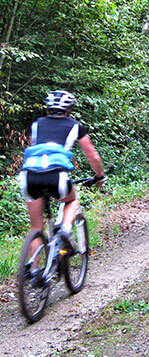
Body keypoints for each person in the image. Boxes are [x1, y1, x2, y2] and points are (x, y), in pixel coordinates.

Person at [19, 90, 105, 250]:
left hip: (29, 175)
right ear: (69, 110)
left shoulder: (36, 124)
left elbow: (35, 146)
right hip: (56, 175)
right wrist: (99, 176)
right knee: (72, 199)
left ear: (47, 108)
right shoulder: (74, 126)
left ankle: (33, 272)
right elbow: (92, 155)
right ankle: (65, 230)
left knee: (36, 228)